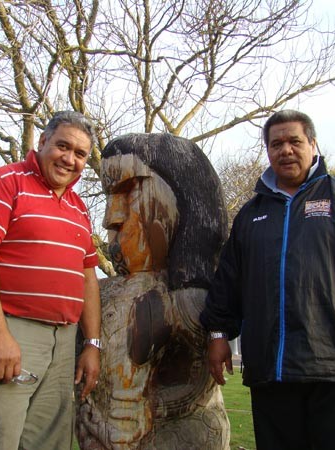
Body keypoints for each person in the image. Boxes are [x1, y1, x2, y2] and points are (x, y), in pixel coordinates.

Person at [200, 110, 335, 450]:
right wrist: (217, 334)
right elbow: (228, 282)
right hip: (270, 373)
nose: (285, 150)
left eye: (294, 141)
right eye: (276, 144)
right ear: (268, 152)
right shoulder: (250, 215)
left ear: (313, 145)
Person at [0, 111, 102, 450]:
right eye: (62, 146)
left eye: (80, 154)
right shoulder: (4, 182)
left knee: (49, 442)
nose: (70, 159)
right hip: (12, 330)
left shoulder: (79, 209)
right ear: (41, 142)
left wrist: (92, 344)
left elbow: (87, 279)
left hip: (64, 341)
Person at [76, 133, 230, 449]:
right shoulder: (100, 291)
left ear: (181, 199)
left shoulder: (190, 301)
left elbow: (195, 380)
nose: (111, 217)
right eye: (109, 197)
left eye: (130, 190)